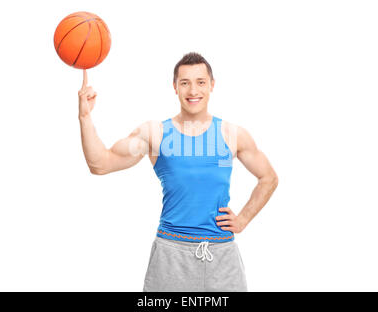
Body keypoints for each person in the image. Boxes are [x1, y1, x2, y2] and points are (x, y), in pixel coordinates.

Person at [77, 52, 278, 292]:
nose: (193, 91)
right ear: (175, 87)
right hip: (171, 256)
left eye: (200, 82)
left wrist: (244, 218)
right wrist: (84, 116)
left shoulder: (231, 134)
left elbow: (268, 178)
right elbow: (100, 164)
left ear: (212, 85)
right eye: (185, 83)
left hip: (221, 255)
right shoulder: (155, 134)